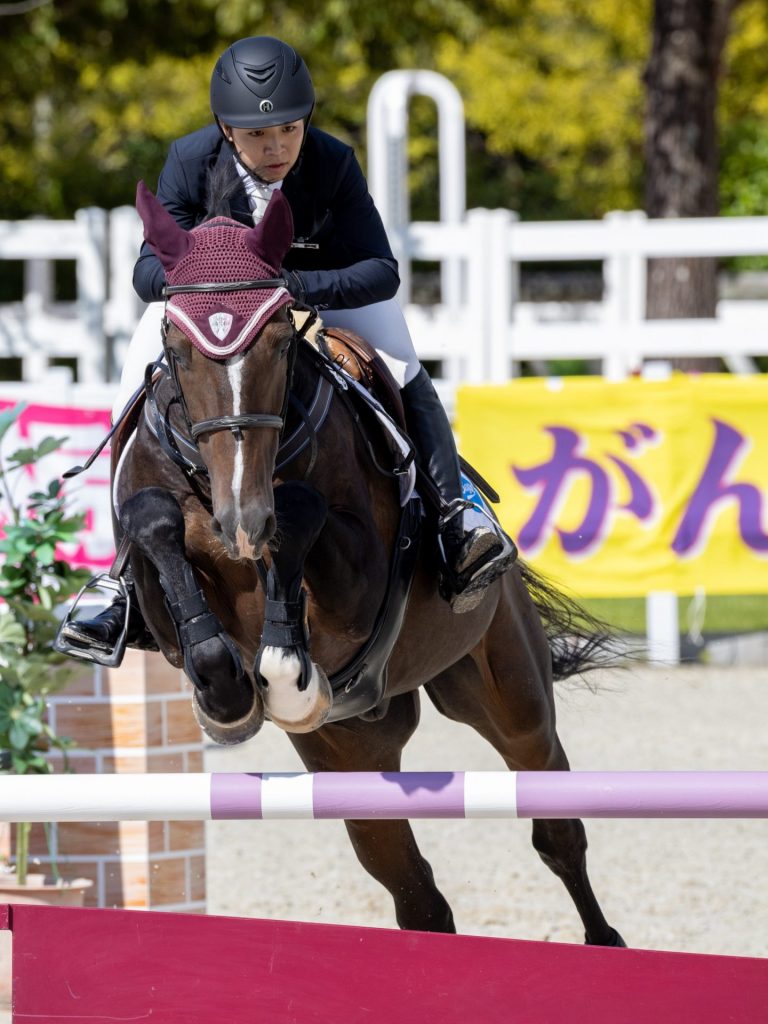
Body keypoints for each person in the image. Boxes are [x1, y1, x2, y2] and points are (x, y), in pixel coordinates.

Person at [62, 35, 517, 663]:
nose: (275, 147)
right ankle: (119, 580)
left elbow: (380, 271)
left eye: (288, 129)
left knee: (405, 370)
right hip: (215, 305)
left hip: (324, 289)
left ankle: (454, 517)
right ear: (226, 129)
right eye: (257, 135)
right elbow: (147, 274)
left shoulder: (331, 162)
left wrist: (292, 287)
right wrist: (219, 285)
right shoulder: (189, 161)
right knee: (135, 376)